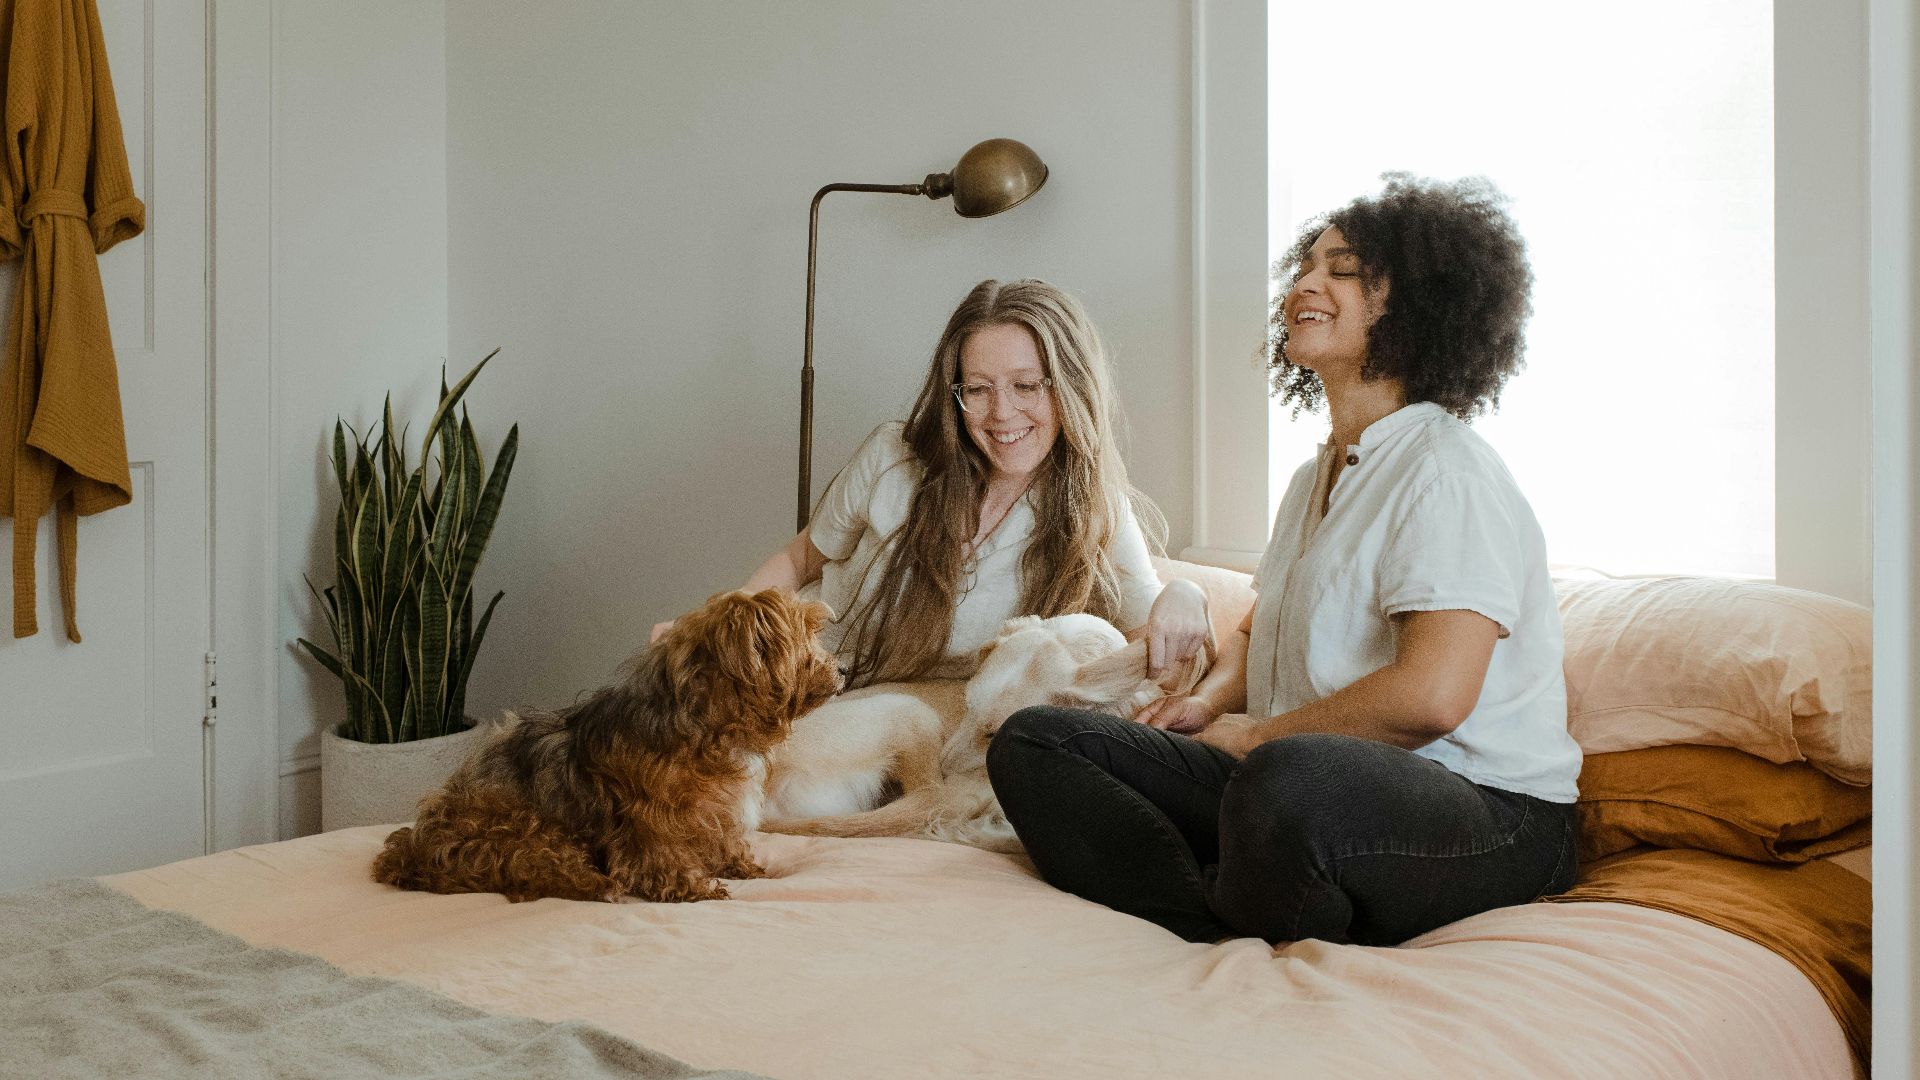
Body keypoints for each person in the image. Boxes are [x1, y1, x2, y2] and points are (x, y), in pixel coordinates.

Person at [986, 175, 1582, 947]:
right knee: (1038, 742)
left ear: (1414, 304)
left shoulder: (1446, 470)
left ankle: (1247, 886)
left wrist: (1259, 738)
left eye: (1341, 269)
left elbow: (1433, 696)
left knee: (1285, 782)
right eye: (1306, 266)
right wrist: (1206, 705)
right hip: (1292, 780)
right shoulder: (1316, 478)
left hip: (1489, 815)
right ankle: (1214, 915)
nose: (1305, 282)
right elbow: (1256, 630)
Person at [659, 278, 1210, 689]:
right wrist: (707, 634)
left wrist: (1187, 593)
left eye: (1026, 386)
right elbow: (802, 559)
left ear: (1069, 387)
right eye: (977, 389)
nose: (1001, 414)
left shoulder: (1095, 506)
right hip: (806, 685)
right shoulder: (892, 456)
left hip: (919, 723)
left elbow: (1150, 637)